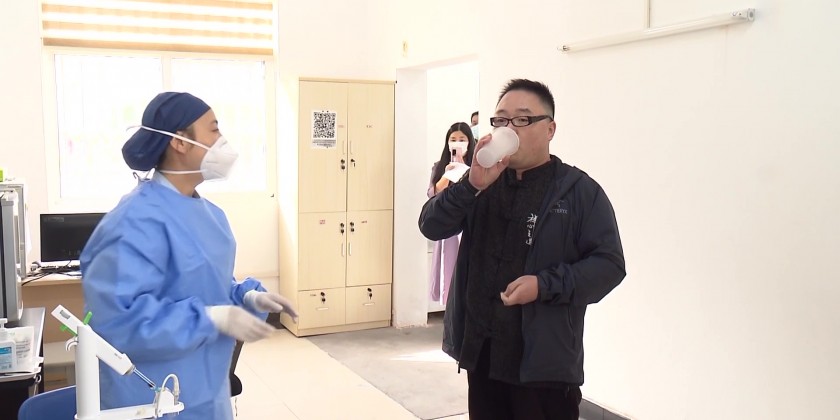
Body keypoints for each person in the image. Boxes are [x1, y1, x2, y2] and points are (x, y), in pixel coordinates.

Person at [80, 92, 298, 419]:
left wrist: (246, 297)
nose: (222, 141)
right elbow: (117, 321)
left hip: (207, 390)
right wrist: (211, 318)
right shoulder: (134, 221)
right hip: (151, 398)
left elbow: (207, 285)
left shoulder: (211, 216)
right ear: (180, 142)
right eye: (214, 129)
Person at [418, 79, 625, 420]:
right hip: (482, 356)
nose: (509, 128)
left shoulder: (578, 192)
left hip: (544, 367)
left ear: (550, 129)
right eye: (501, 120)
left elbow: (609, 266)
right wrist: (470, 185)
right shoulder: (480, 183)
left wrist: (543, 285)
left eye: (522, 119)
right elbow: (431, 225)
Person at [427, 122, 475, 304]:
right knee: (449, 271)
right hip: (449, 228)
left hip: (470, 225)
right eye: (453, 139)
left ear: (469, 142)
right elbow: (432, 194)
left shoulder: (476, 167)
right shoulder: (439, 167)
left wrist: (465, 170)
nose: (457, 143)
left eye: (462, 139)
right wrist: (448, 175)